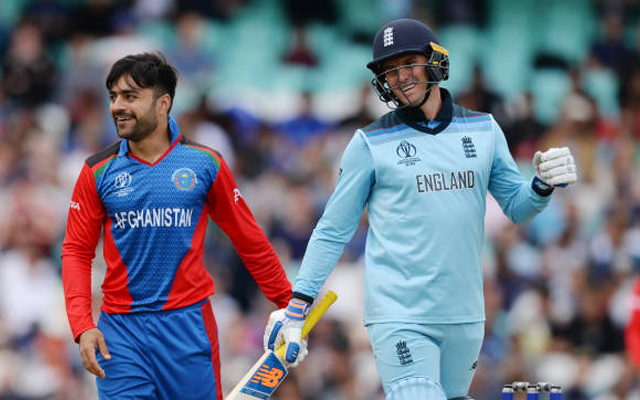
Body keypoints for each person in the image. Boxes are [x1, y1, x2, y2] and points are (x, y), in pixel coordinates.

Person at [263, 19, 578, 400]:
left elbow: (517, 206)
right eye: (388, 71)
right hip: (399, 313)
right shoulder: (369, 143)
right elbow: (333, 229)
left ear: (434, 62)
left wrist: (541, 186)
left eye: (408, 63)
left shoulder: (484, 129)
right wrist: (297, 305)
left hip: (464, 313)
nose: (399, 77)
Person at [61, 52, 293, 400]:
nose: (117, 106)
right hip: (120, 335)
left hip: (188, 329)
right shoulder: (97, 170)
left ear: (163, 103)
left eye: (130, 96)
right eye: (113, 97)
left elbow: (247, 237)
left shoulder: (204, 163)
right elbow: (76, 251)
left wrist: (288, 305)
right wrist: (82, 326)